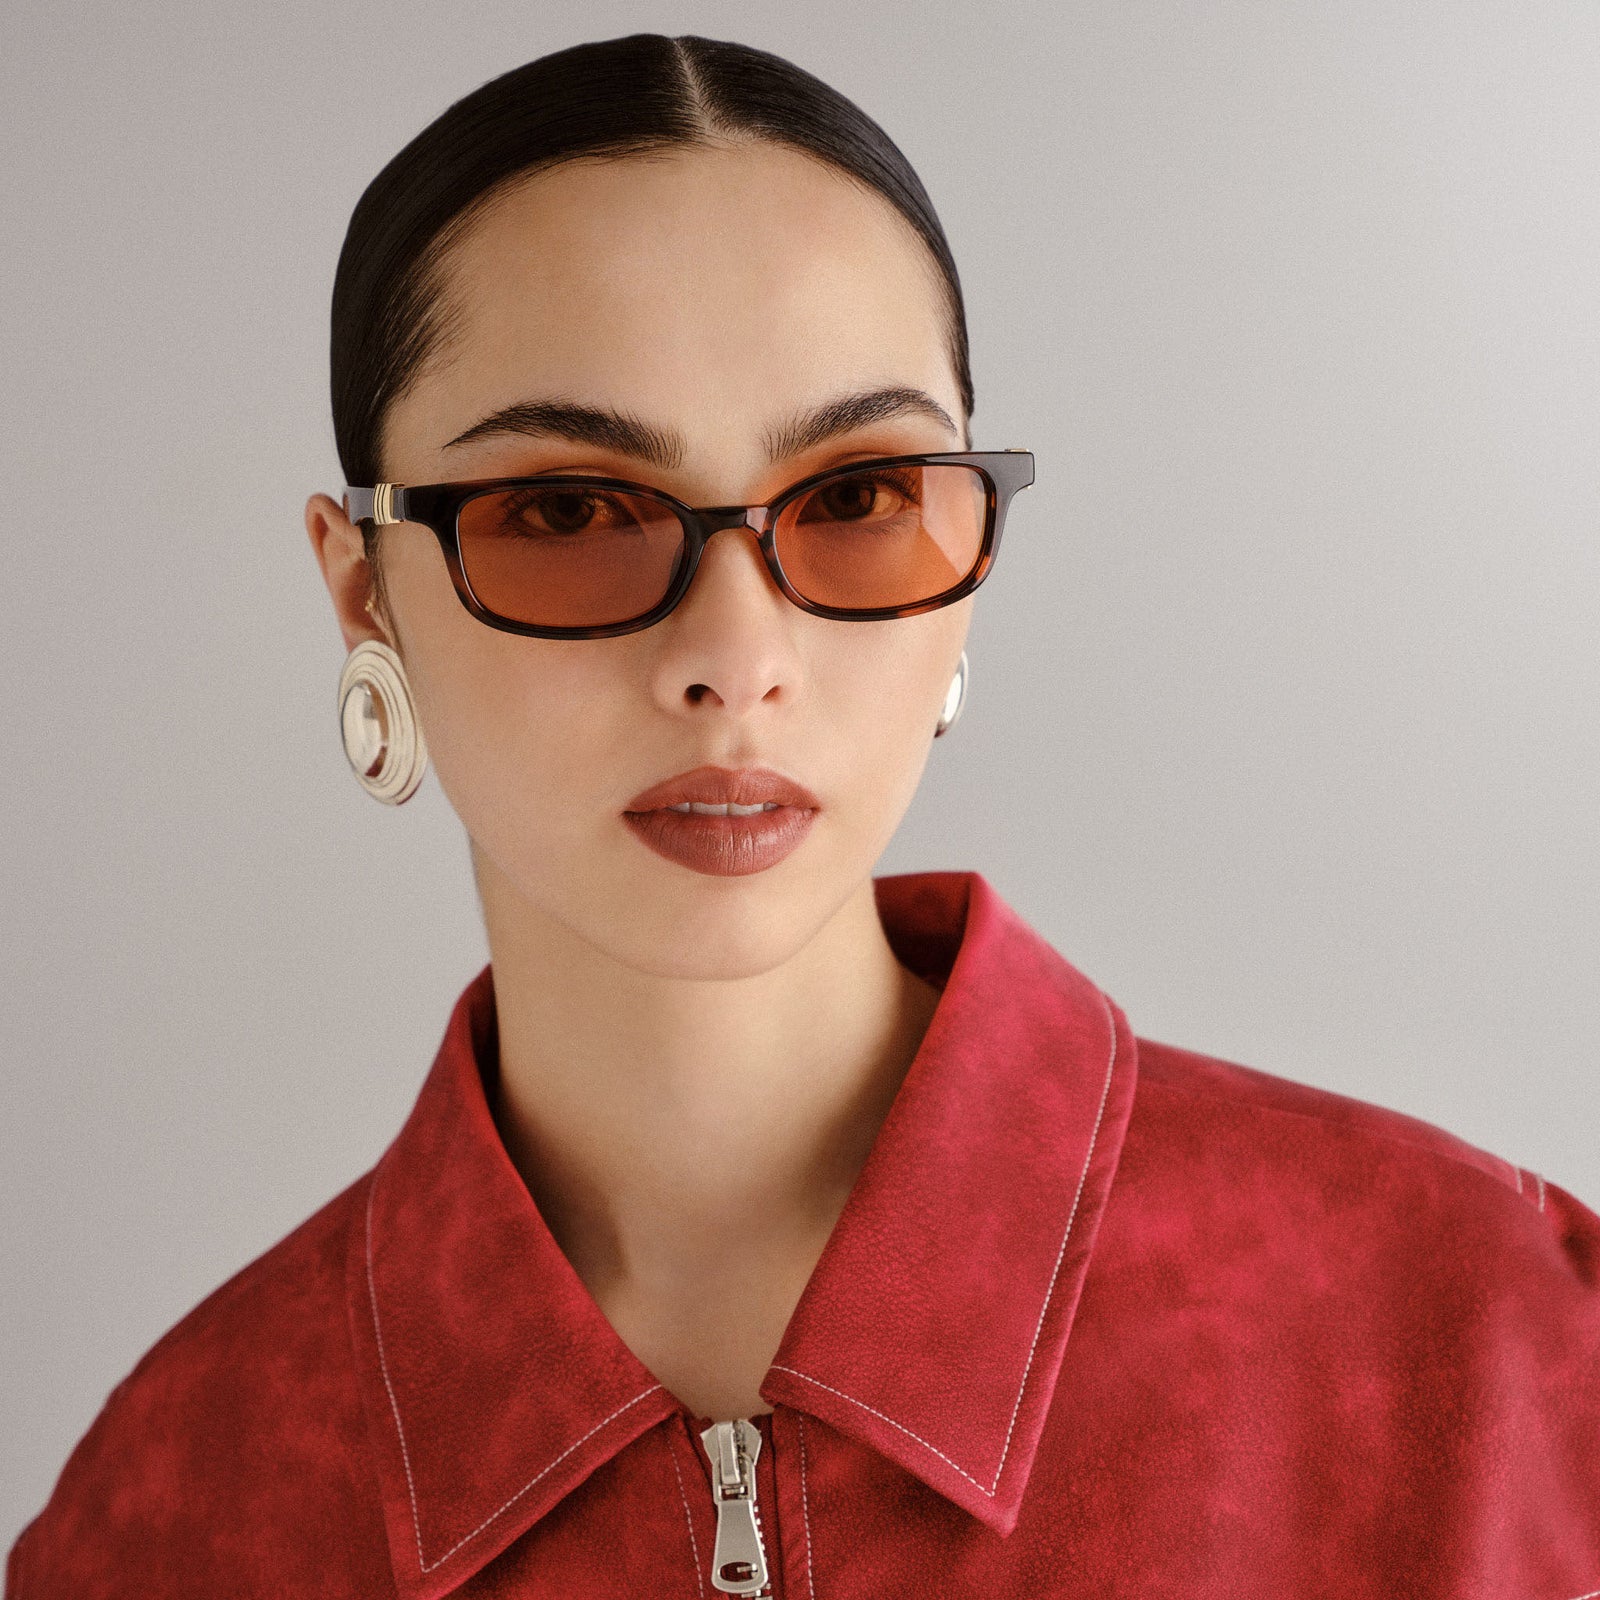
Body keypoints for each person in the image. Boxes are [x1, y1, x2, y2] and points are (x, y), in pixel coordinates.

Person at [7, 32, 1598, 1600]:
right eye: (566, 509)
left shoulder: (1493, 1348)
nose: (734, 657)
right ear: (364, 588)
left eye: (855, 499)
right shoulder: (171, 1521)